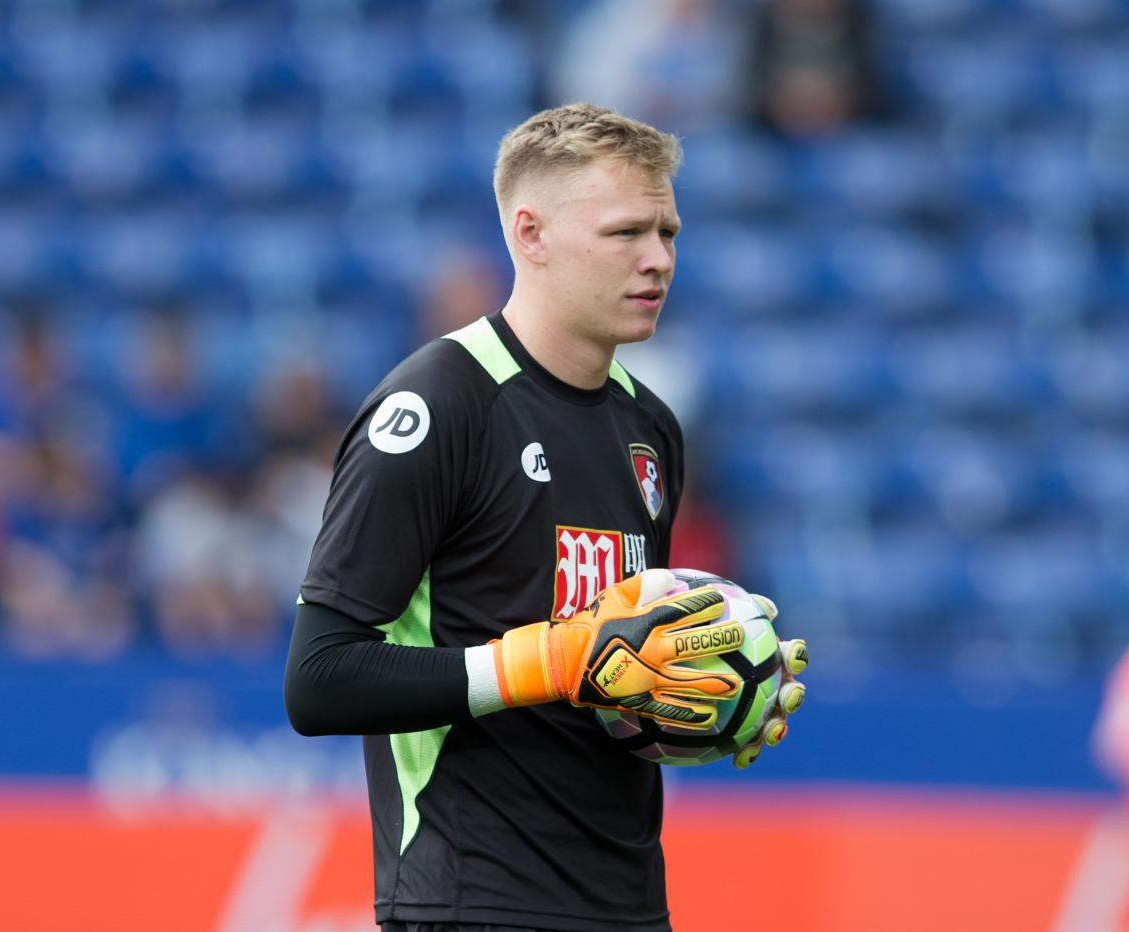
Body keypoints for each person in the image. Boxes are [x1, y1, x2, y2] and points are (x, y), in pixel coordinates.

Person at [284, 102, 808, 932]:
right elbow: (318, 681)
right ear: (531, 235)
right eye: (626, 233)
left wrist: (712, 701)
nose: (659, 260)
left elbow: (613, 684)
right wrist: (544, 662)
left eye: (669, 233)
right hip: (470, 899)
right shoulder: (438, 404)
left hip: (628, 902)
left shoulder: (653, 430)